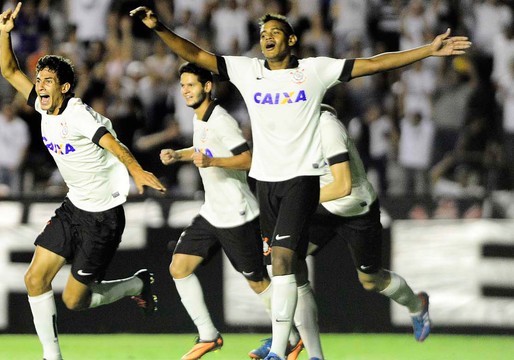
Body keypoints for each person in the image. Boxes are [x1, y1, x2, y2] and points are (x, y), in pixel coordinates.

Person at [130, 7, 469, 360]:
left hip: (348, 205)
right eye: (262, 35)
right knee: (286, 267)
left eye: (275, 32)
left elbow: (372, 64)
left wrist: (428, 50)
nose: (267, 38)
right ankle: (307, 351)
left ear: (292, 40)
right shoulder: (250, 72)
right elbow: (196, 55)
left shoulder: (320, 98)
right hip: (277, 189)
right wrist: (159, 28)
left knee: (364, 278)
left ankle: (411, 306)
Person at [0, 4, 167, 360]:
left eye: (47, 81)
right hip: (75, 206)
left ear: (65, 87)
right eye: (39, 79)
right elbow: (9, 70)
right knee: (34, 280)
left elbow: (112, 142)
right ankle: (52, 357)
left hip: (103, 216)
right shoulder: (46, 107)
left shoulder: (77, 113)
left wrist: (136, 170)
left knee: (75, 300)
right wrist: (5, 32)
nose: (39, 86)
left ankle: (137, 283)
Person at [251, 105, 432, 360]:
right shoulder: (291, 129)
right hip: (320, 209)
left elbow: (343, 185)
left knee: (371, 280)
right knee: (284, 262)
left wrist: (296, 200)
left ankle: (417, 305)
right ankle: (295, 341)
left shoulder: (326, 126)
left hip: (355, 208)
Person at [160, 63, 272, 360]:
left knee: (257, 281)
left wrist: (211, 163)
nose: (185, 90)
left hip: (238, 214)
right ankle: (209, 335)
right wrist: (179, 154)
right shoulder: (200, 117)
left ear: (207, 86)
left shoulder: (221, 119)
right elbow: (203, 151)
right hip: (213, 213)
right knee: (179, 267)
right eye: (182, 85)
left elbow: (247, 160)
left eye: (191, 85)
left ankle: (292, 335)